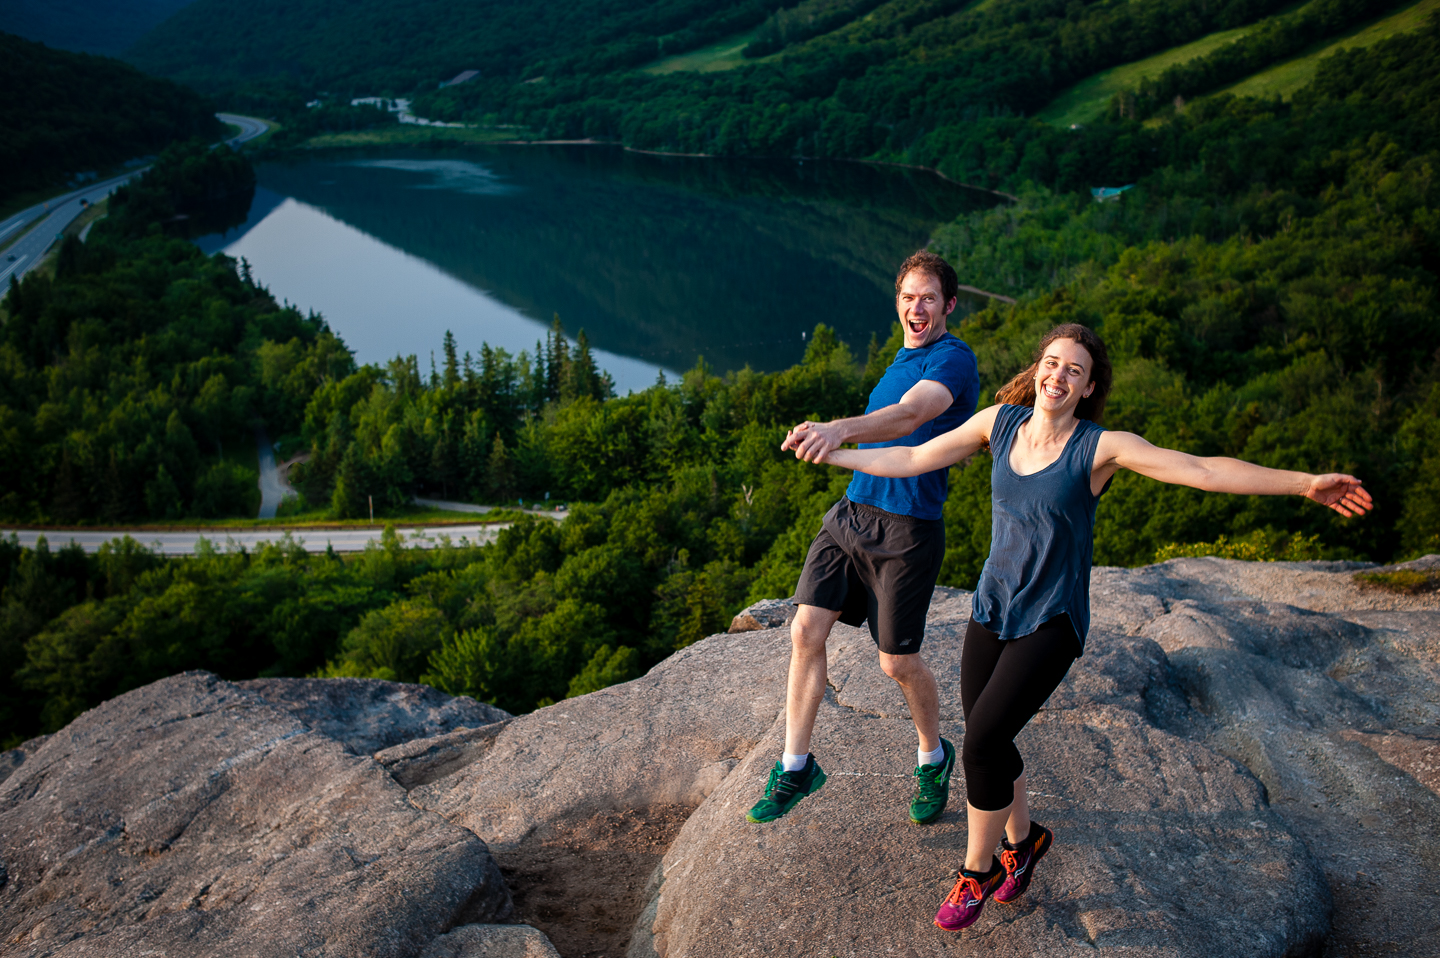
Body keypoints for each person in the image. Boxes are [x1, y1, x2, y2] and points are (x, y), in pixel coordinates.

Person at [806, 323, 1372, 931]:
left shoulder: (1100, 447)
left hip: (1052, 619)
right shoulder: (999, 423)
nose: (1058, 376)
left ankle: (977, 872)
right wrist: (833, 449)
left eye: (1073, 370)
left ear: (1088, 385)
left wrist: (1304, 484)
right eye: (1052, 363)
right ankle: (1022, 843)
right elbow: (915, 456)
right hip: (993, 607)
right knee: (990, 740)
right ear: (1038, 369)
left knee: (981, 742)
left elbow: (1201, 471)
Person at [746, 250, 981, 827]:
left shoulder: (954, 361)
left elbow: (908, 417)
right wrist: (830, 444)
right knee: (805, 627)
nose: (915, 307)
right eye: (906, 297)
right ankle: (796, 765)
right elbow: (881, 431)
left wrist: (837, 429)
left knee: (897, 663)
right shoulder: (900, 357)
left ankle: (933, 756)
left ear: (949, 304)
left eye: (928, 297)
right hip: (852, 515)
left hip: (908, 531)